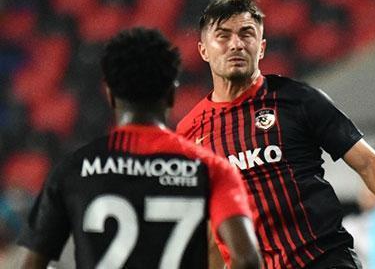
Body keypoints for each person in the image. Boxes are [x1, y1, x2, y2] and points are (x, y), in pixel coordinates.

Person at [177, 0, 375, 269]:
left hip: (324, 260)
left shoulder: (299, 100)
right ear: (203, 50)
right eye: (223, 35)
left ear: (262, 46)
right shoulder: (189, 135)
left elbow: (367, 162)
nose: (236, 44)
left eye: (246, 34)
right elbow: (209, 228)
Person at [17, 28, 262, 269]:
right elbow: (247, 259)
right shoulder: (211, 170)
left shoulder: (72, 171)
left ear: (110, 95)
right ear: (171, 94)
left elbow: (30, 265)